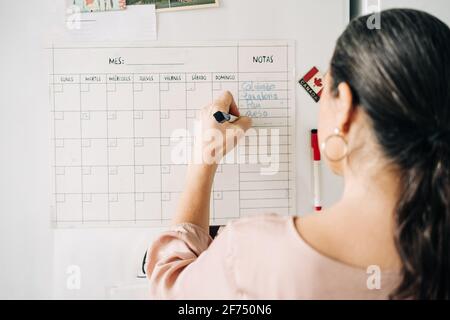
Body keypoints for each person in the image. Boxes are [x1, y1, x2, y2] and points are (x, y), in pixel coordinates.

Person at [146, 9, 450, 299]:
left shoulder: (253, 255)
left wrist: (204, 159)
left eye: (324, 87)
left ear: (344, 106)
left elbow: (169, 290)